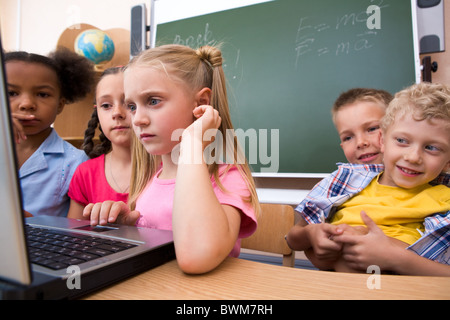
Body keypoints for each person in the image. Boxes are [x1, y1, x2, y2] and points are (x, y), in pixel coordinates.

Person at [82, 44, 260, 274]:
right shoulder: (149, 179)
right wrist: (126, 229)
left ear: (202, 103)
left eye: (153, 101)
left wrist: (193, 143)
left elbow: (196, 258)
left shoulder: (228, 179)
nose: (137, 120)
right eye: (132, 106)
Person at [286, 82, 450, 275]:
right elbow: (292, 238)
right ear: (383, 140)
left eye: (431, 147)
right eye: (402, 141)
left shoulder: (443, 199)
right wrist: (312, 235)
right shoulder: (344, 181)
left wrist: (396, 258)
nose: (413, 157)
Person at [6, 48, 96, 217]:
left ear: (60, 105)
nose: (26, 104)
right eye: (11, 93)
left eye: (42, 94)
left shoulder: (76, 163)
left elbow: (75, 233)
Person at [67, 66, 133, 219]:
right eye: (106, 106)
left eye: (129, 103)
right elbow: (74, 237)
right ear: (97, 111)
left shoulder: (171, 169)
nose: (117, 113)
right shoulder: (85, 173)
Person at [331, 88, 392, 164]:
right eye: (348, 138)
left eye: (372, 129)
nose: (360, 143)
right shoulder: (341, 175)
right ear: (342, 146)